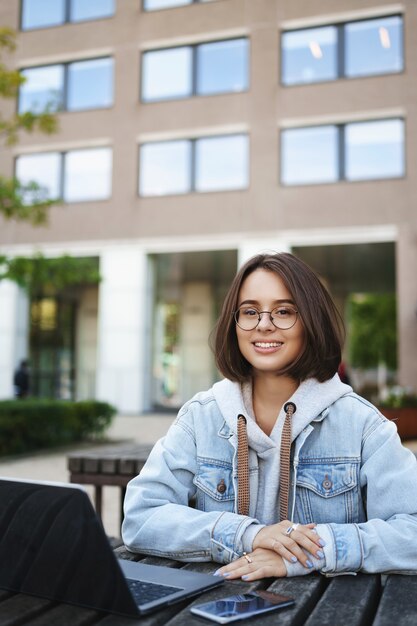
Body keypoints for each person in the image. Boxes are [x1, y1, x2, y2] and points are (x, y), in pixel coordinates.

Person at [122, 252, 417, 579]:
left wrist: (307, 553)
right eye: (250, 311)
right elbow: (142, 517)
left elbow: (412, 530)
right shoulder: (200, 417)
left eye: (284, 311)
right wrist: (248, 534)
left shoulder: (361, 424)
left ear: (311, 321)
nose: (264, 324)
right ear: (234, 325)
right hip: (215, 603)